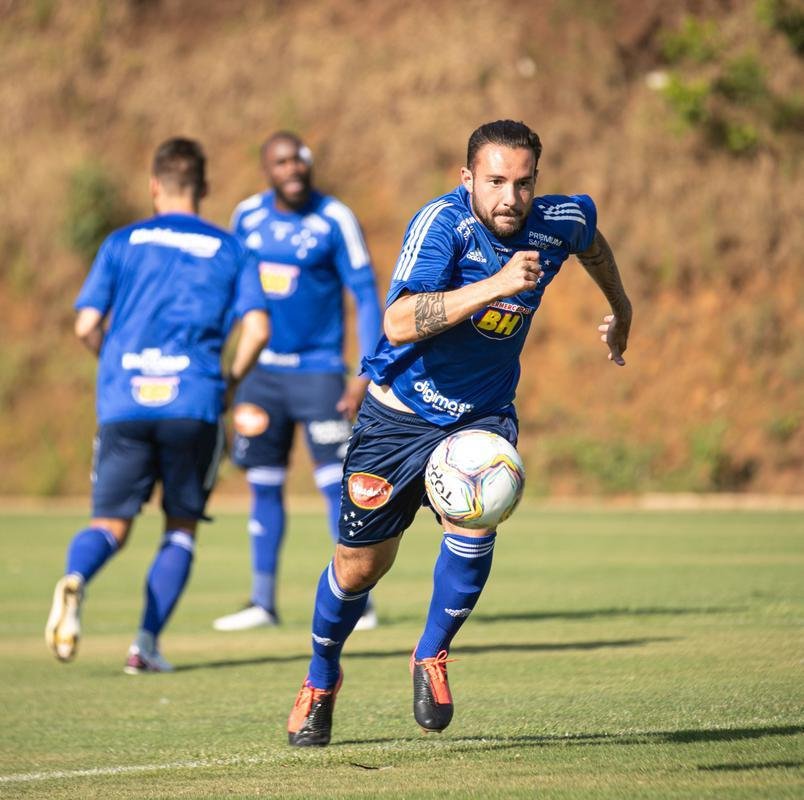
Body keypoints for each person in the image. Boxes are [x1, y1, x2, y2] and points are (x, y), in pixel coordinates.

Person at [286, 119, 633, 746]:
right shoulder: (442, 225)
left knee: (479, 514)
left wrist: (622, 305)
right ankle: (320, 677)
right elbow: (395, 322)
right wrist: (496, 285)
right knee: (359, 567)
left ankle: (431, 654)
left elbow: (593, 242)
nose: (510, 198)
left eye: (523, 184)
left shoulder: (558, 220)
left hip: (481, 416)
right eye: (495, 181)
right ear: (467, 177)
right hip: (398, 415)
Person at [45, 138, 269, 673]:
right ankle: (144, 644)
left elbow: (84, 325)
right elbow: (258, 329)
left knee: (110, 524)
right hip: (192, 401)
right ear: (204, 189)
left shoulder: (121, 242)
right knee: (179, 527)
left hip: (125, 401)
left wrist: (116, 363)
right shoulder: (231, 249)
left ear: (153, 188)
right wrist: (229, 382)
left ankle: (76, 579)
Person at [211, 132, 383, 633]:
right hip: (261, 377)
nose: (293, 169)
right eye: (282, 162)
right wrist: (223, 363)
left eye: (300, 160)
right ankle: (262, 602)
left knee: (340, 488)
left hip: (320, 372)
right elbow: (229, 294)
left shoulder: (335, 218)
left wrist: (365, 369)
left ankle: (360, 601)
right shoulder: (246, 217)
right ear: (267, 168)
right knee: (262, 485)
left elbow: (365, 295)